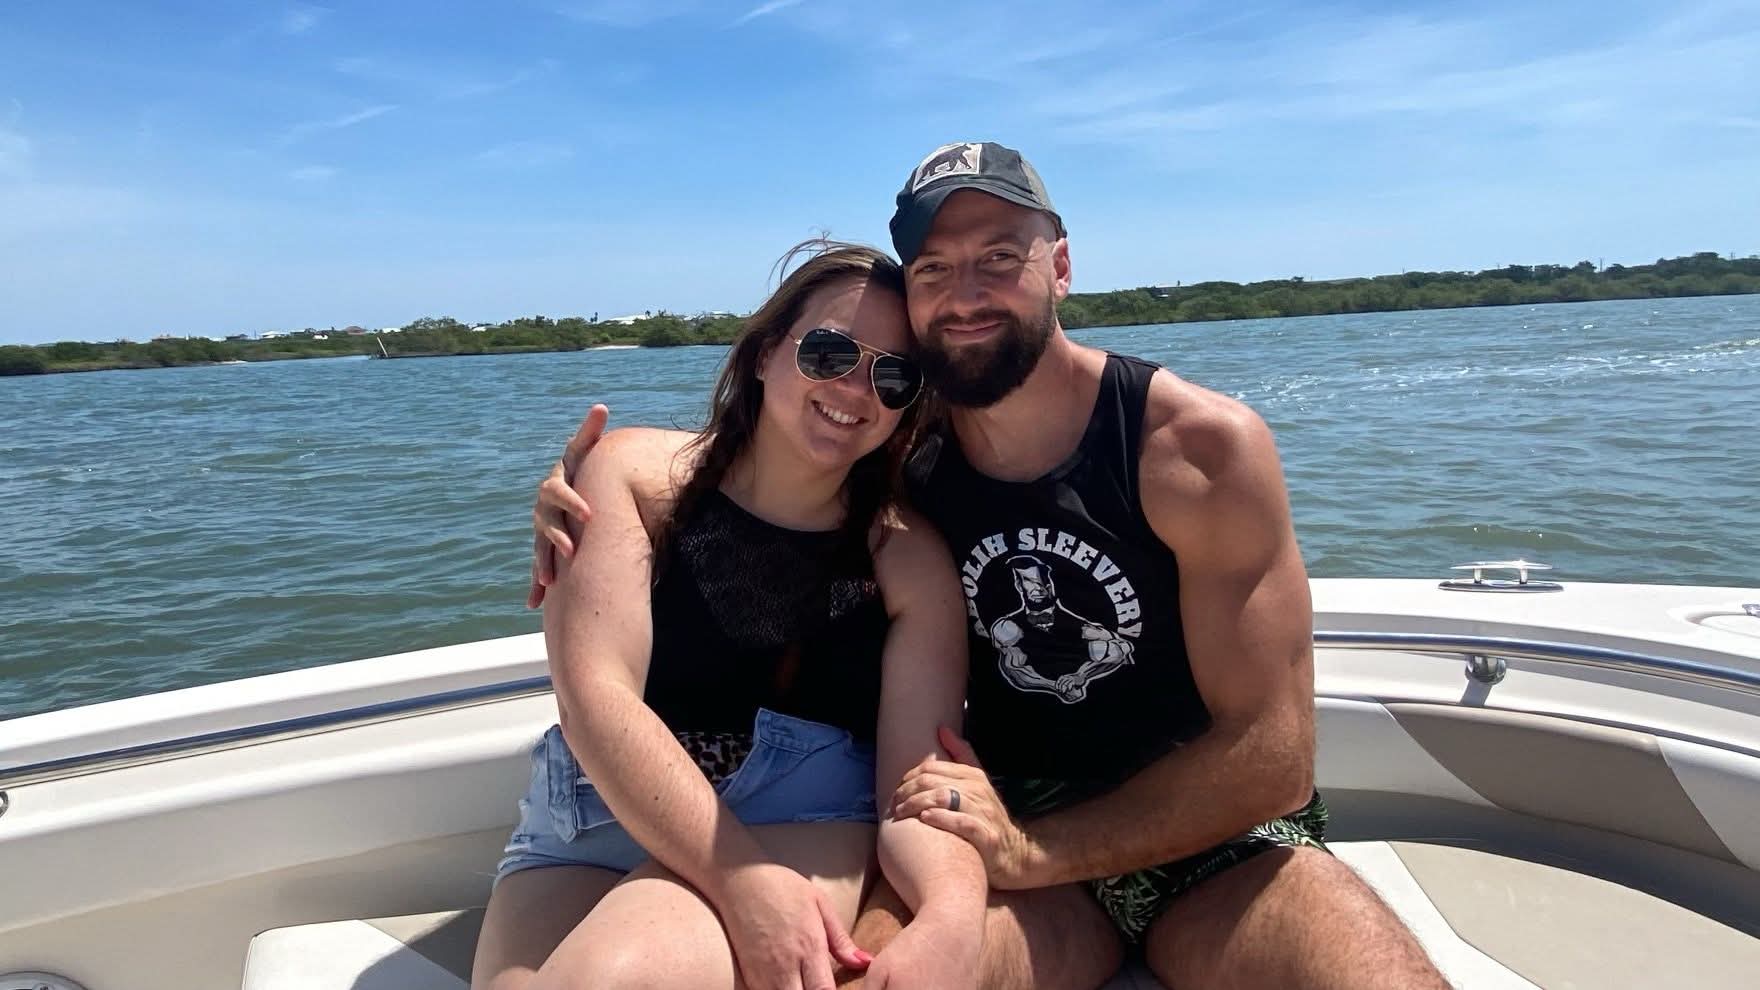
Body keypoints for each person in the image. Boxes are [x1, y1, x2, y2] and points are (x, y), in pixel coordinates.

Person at [529, 144, 1451, 990]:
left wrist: (1035, 854)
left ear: (1060, 265)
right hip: (993, 813)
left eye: (999, 258)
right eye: (934, 269)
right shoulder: (903, 449)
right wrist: (580, 490)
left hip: (1207, 844)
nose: (964, 293)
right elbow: (764, 465)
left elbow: (1272, 758)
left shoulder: (1195, 450)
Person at [477, 241, 988, 990]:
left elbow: (911, 781)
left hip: (802, 816)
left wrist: (951, 912)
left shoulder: (908, 560)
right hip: (598, 809)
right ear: (763, 353)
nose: (856, 387)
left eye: (894, 375)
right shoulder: (633, 477)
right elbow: (597, 698)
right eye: (829, 352)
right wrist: (741, 881)